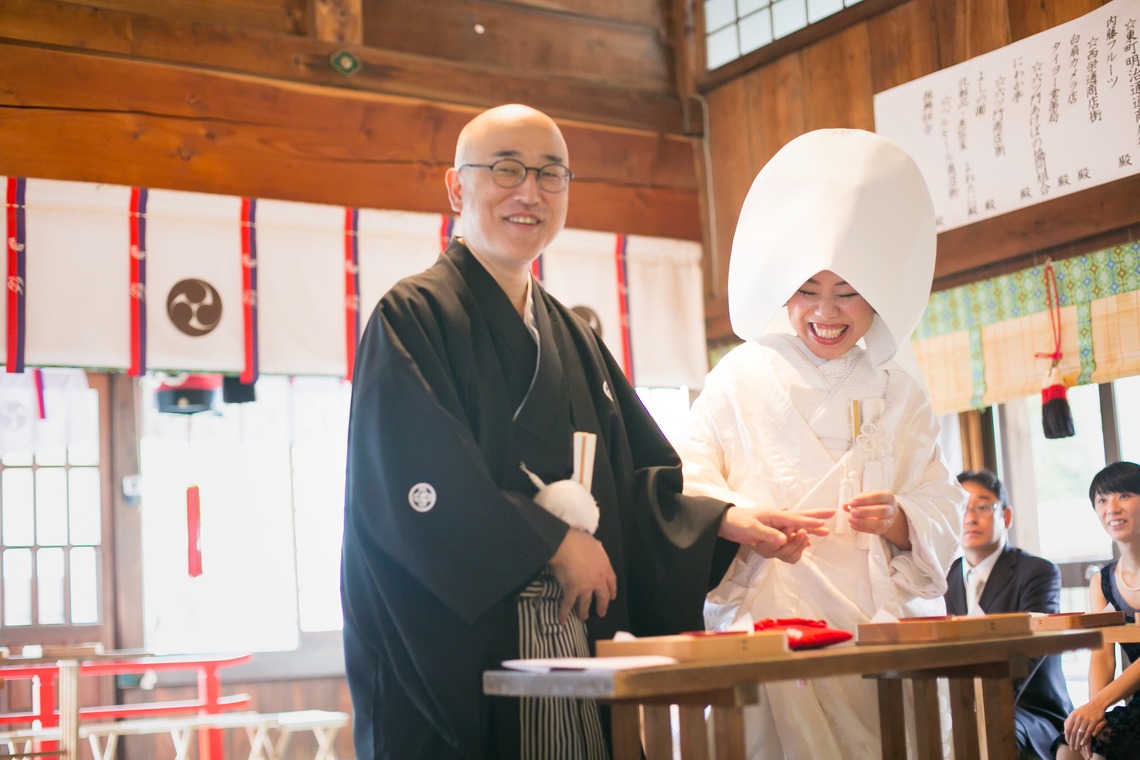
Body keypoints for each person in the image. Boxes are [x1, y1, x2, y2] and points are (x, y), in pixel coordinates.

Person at [339, 103, 832, 760]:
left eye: (551, 174)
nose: (530, 193)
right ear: (457, 187)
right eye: (506, 169)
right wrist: (551, 541)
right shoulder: (412, 318)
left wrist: (720, 522)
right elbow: (414, 489)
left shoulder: (573, 335)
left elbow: (630, 484)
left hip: (575, 645)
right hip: (466, 656)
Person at [676, 128, 964, 759]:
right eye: (808, 292)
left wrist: (900, 519)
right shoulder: (739, 378)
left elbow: (943, 499)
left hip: (876, 627)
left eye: (846, 294)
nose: (826, 314)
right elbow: (688, 484)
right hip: (770, 616)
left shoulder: (898, 391)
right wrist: (741, 520)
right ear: (783, 292)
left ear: (875, 297)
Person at [945, 469, 1072, 759]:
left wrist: (979, 702)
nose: (970, 517)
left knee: (992, 727)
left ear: (1006, 516)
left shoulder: (1037, 572)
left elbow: (1032, 648)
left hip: (1029, 709)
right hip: (961, 703)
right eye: (961, 508)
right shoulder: (943, 578)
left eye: (982, 507)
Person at [1058, 461, 1140, 760]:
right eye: (1102, 500)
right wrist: (1095, 714)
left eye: (1124, 495)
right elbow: (1102, 655)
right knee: (1069, 745)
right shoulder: (1102, 581)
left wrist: (1099, 703)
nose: (1112, 508)